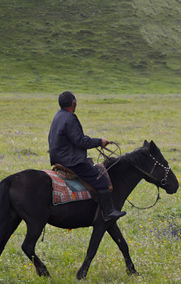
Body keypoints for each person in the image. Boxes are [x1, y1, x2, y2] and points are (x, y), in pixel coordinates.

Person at [48, 91, 126, 222]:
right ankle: (108, 213)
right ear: (73, 103)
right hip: (70, 161)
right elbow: (80, 141)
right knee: (101, 180)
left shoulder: (58, 115)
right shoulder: (70, 117)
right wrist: (99, 142)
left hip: (59, 157)